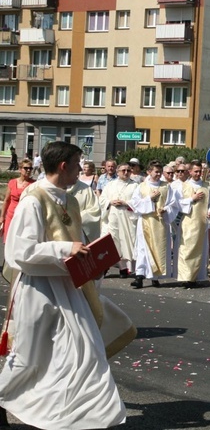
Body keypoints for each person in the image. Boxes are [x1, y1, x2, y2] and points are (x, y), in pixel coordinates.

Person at [0, 141, 127, 429]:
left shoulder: (69, 200)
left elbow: (77, 243)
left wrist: (92, 261)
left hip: (71, 290)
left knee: (87, 353)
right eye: (78, 164)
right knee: (29, 358)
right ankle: (3, 396)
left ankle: (91, 417)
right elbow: (20, 252)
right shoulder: (34, 200)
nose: (81, 170)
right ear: (63, 166)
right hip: (39, 289)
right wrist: (64, 250)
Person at [129, 160, 179, 289]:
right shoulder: (141, 186)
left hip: (160, 223)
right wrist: (149, 199)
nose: (158, 174)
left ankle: (155, 277)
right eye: (156, 171)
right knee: (143, 250)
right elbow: (135, 203)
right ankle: (139, 276)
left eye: (160, 172)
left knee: (159, 249)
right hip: (145, 222)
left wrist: (166, 209)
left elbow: (173, 204)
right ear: (149, 172)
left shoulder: (166, 187)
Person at [177, 160, 210, 288]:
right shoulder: (184, 186)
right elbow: (177, 203)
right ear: (190, 172)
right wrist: (191, 199)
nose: (198, 173)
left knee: (199, 251)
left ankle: (193, 277)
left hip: (201, 223)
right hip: (188, 222)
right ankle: (185, 277)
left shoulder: (207, 187)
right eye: (196, 171)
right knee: (186, 249)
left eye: (200, 171)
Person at [100, 162, 138, 277]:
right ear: (117, 172)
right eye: (123, 170)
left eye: (128, 170)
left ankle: (124, 268)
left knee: (124, 242)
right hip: (112, 215)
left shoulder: (135, 185)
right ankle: (107, 266)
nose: (126, 173)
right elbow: (102, 199)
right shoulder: (110, 185)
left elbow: (138, 201)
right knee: (111, 241)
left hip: (127, 217)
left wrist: (126, 203)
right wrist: (110, 202)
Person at [0, 158, 34, 243]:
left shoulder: (34, 184)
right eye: (26, 168)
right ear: (20, 169)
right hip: (11, 216)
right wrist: (2, 217)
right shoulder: (12, 182)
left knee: (19, 243)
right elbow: (6, 201)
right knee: (8, 242)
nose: (28, 170)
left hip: (25, 218)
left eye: (30, 168)